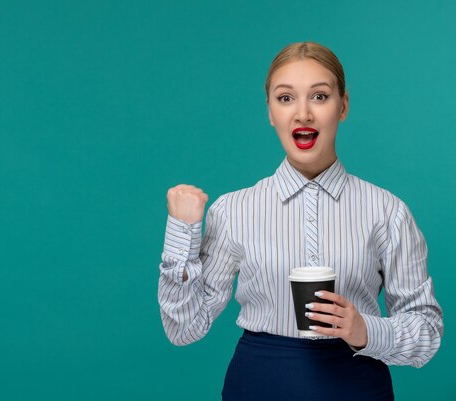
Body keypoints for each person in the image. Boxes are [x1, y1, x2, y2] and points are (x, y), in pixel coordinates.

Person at [157, 42, 443, 401]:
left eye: (320, 96)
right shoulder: (234, 211)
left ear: (343, 106)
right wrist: (182, 231)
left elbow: (427, 333)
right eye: (286, 98)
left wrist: (364, 330)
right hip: (258, 385)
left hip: (356, 386)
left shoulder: (388, 212)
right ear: (270, 112)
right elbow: (184, 329)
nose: (303, 114)